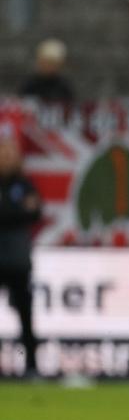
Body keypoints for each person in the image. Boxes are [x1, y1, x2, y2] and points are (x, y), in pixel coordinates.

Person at [0, 128, 42, 378]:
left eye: (9, 152)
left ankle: (32, 367)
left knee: (25, 314)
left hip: (16, 259)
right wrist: (16, 212)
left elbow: (35, 212)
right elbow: (23, 212)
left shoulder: (24, 184)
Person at [17, 39, 74, 104]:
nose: (49, 66)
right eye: (46, 62)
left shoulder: (63, 87)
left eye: (52, 63)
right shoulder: (30, 85)